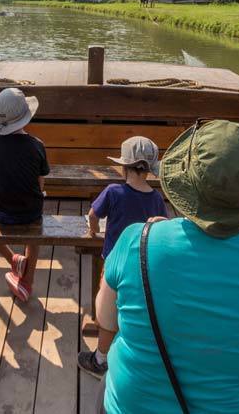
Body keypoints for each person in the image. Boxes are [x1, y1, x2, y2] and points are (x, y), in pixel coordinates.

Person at [95, 120, 239, 414]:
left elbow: (106, 318)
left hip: (130, 406)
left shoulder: (136, 241)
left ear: (185, 187)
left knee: (106, 384)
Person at [78, 136, 167, 379]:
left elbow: (93, 215)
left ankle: (101, 360)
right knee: (135, 306)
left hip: (114, 262)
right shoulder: (157, 198)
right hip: (143, 263)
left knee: (107, 308)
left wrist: (94, 230)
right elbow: (162, 227)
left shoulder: (114, 191)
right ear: (149, 169)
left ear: (124, 166)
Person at [0, 88, 49, 302]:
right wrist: (40, 195)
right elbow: (40, 180)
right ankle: (28, 281)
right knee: (36, 232)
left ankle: (12, 258)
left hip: (1, 209)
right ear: (25, 118)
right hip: (31, 210)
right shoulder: (37, 145)